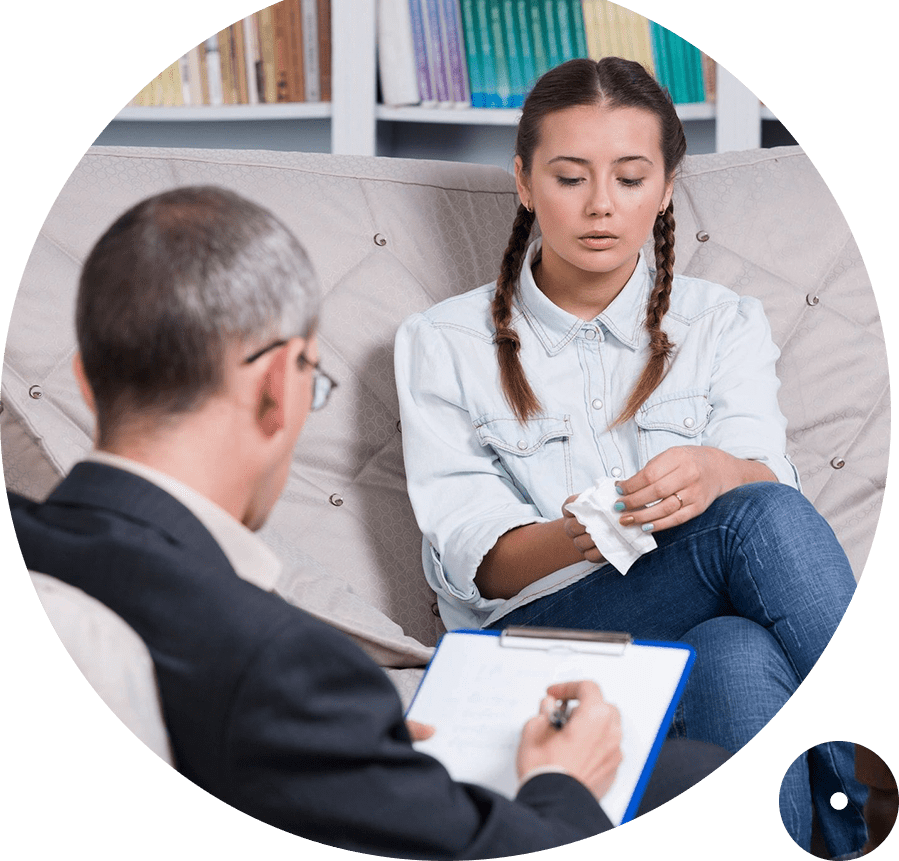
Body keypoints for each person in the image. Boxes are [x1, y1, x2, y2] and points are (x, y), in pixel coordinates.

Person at [8, 186, 730, 860]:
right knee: (700, 776)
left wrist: (348, 751)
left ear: (86, 379)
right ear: (273, 387)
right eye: (313, 382)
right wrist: (563, 779)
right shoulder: (283, 664)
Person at [394, 57, 865, 858]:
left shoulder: (722, 322)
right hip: (537, 643)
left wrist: (719, 472)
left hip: (698, 622)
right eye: (570, 177)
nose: (601, 206)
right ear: (523, 180)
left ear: (667, 185)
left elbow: (766, 487)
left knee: (735, 648)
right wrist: (586, 528)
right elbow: (475, 564)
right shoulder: (441, 343)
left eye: (630, 176)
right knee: (751, 522)